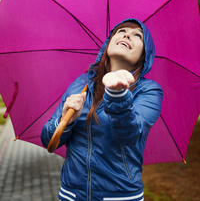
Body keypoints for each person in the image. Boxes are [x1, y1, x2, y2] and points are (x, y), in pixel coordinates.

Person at [41, 18, 163, 201]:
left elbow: (131, 135)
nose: (127, 34)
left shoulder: (149, 90)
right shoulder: (80, 84)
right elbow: (49, 140)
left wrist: (118, 94)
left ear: (143, 56)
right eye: (121, 31)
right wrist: (66, 120)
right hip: (71, 195)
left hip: (120, 197)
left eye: (138, 35)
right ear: (108, 44)